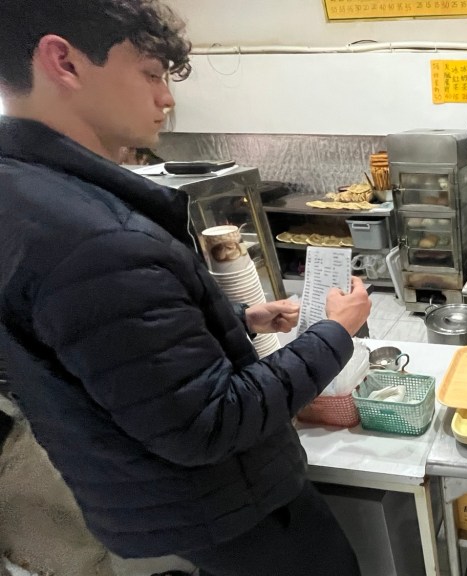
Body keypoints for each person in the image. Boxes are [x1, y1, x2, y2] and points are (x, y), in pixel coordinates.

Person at [0, 2, 370, 575]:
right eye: (151, 74)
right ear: (64, 62)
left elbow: (110, 352)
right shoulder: (97, 240)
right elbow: (210, 422)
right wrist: (334, 331)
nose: (167, 99)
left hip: (154, 499)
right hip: (230, 508)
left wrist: (235, 321)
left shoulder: (25, 193)